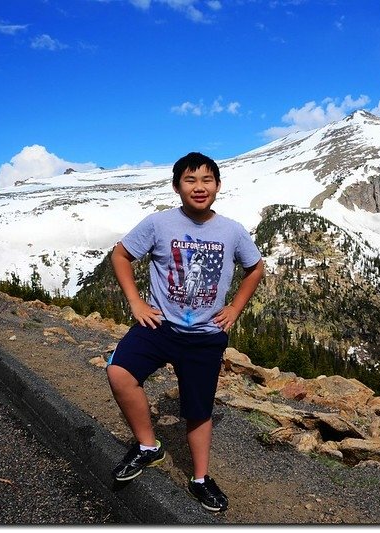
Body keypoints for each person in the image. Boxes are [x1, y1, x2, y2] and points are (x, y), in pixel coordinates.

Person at [106, 152, 264, 513]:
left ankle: (199, 479)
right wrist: (136, 303)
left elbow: (255, 268)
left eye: (207, 180)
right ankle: (149, 447)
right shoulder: (159, 224)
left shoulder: (232, 230)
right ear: (177, 186)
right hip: (159, 325)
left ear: (218, 186)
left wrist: (235, 308)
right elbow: (120, 255)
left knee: (198, 409)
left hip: (206, 335)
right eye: (190, 180)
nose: (199, 187)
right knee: (119, 372)